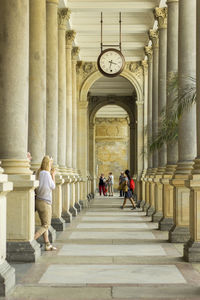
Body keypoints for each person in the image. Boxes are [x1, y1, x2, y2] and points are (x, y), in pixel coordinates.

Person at [34, 156, 57, 251]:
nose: (51, 165)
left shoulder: (38, 172)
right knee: (46, 225)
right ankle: (32, 239)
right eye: (51, 163)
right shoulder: (47, 174)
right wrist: (53, 175)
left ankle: (47, 244)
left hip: (38, 200)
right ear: (48, 163)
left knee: (44, 223)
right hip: (45, 202)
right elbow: (53, 186)